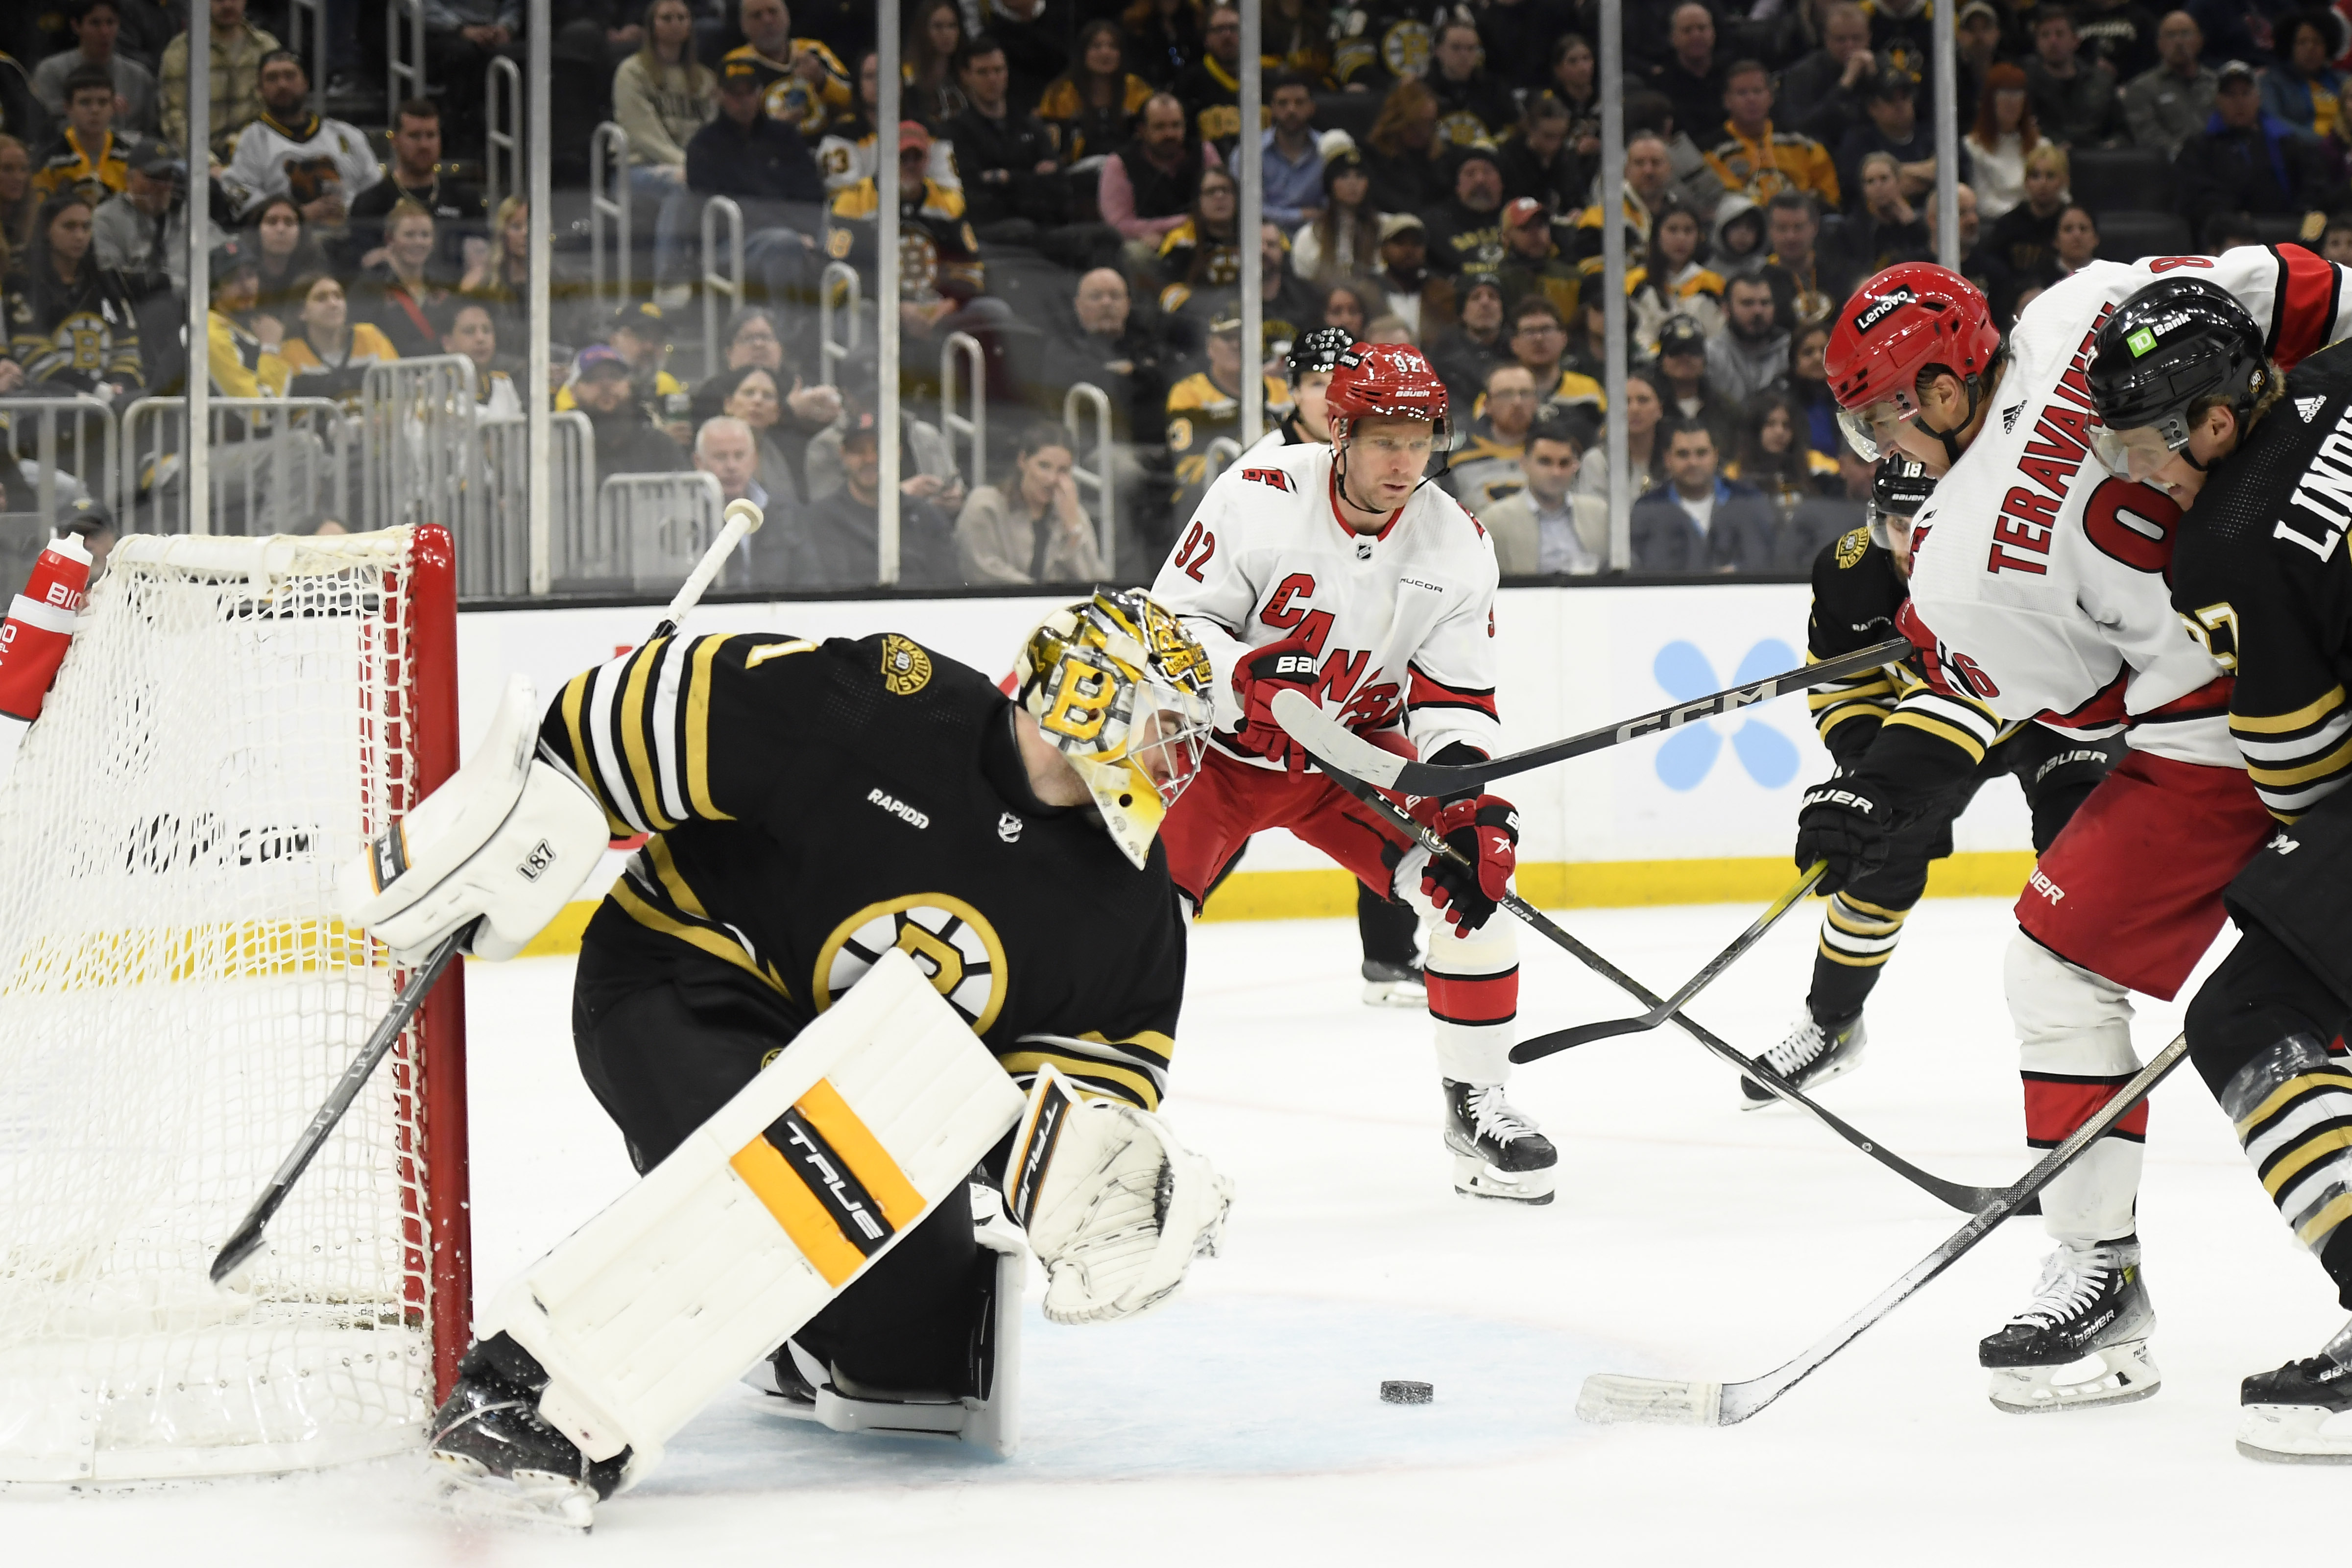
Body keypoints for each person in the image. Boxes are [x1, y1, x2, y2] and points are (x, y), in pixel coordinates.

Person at [400, 587, 1225, 1521]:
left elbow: (1088, 1077)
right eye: (1166, 727)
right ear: (1088, 695)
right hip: (690, 979)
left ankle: (779, 1336)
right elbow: (659, 707)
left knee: (919, 1361)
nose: (1178, 759)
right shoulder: (884, 706)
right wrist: (525, 813)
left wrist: (1069, 1160)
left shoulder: (1130, 898)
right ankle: (526, 1392)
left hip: (865, 1091)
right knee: (795, 1167)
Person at [1826, 245, 2352, 1413]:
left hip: (2223, 731)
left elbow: (2080, 703)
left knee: (2059, 970)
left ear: (1942, 393)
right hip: (2311, 639)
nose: (1880, 451)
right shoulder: (2078, 309)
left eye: (1880, 424)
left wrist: (1890, 767)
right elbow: (2292, 289)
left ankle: (2100, 1276)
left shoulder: (1958, 566)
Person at [1151, 341, 1557, 1202]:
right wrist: (1239, 678)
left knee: (1470, 896)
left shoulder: (1456, 543)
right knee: (1132, 929)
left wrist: (1465, 801)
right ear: (1339, 431)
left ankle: (1476, 1106)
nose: (1404, 463)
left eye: (1421, 441)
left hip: (1349, 765)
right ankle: (1090, 1112)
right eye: (1383, 440)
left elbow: (1455, 703)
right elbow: (1169, 626)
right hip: (1213, 760)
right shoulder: (1257, 494)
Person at [2086, 276, 2352, 1462]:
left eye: (2147, 443)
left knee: (2251, 1011)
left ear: (2217, 421)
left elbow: (2301, 775)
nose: (2137, 472)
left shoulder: (2226, 541)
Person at [1759, 451, 2117, 1105]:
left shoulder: (2010, 558)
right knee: (1876, 859)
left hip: (2046, 718)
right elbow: (1842, 687)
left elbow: (1989, 684)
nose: (1909, 540)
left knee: (2077, 863)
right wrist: (1869, 768)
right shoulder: (1847, 575)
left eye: (1926, 521)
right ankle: (1831, 1026)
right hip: (1926, 729)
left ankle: (2082, 1063)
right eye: (1897, 523)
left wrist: (1886, 777)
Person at [686, 57, 827, 325]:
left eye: (749, 92)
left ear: (760, 92)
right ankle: (787, 341)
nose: (743, 100)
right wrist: (793, 234)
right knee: (783, 245)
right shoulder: (703, 146)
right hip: (729, 245)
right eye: (734, 94)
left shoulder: (786, 137)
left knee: (837, 246)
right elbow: (714, 212)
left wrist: (807, 233)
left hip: (796, 237)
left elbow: (812, 195)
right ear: (719, 96)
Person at [220, 50, 379, 251]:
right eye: (272, 78)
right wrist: (297, 216)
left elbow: (377, 195)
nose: (282, 85)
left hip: (350, 246)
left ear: (306, 83)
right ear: (259, 89)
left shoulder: (347, 136)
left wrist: (349, 211)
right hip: (283, 252)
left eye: (290, 76)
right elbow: (240, 200)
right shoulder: (250, 140)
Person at [789, 404, 960, 587]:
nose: (870, 459)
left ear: (898, 453)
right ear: (843, 455)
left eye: (878, 449)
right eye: (859, 451)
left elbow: (950, 593)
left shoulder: (929, 519)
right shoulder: (818, 521)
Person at [612, 0, 717, 295]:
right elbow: (644, 134)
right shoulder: (632, 72)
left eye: (682, 17)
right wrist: (687, 167)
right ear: (652, 26)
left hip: (689, 168)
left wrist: (699, 168)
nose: (675, 24)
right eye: (667, 18)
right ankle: (668, 281)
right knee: (682, 185)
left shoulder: (705, 79)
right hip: (638, 168)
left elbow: (711, 134)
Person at [2176, 59, 2347, 235]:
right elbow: (2197, 196)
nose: (2239, 102)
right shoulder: (2198, 147)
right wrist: (2231, 218)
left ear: (2258, 98)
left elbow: (2314, 186)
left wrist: (2304, 213)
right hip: (2227, 236)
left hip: (2287, 232)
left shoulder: (2285, 141)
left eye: (2246, 93)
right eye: (2231, 95)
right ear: (2218, 100)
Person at [2, 192, 141, 398]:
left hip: (109, 400)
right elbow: (32, 355)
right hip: (44, 403)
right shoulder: (22, 285)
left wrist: (118, 384)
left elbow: (127, 345)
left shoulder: (107, 283)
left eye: (86, 227)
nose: (79, 236)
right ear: (47, 231)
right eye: (69, 227)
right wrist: (95, 390)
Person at [944, 34, 1068, 245]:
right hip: (992, 230)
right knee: (1022, 230)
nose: (992, 79)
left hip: (1046, 225)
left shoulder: (1032, 126)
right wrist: (1031, 179)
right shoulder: (957, 131)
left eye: (998, 70)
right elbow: (973, 196)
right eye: (983, 72)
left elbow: (1060, 188)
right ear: (966, 76)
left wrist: (1008, 178)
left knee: (1105, 236)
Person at [1165, 310, 1291, 515]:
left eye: (1242, 337)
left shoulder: (1281, 390)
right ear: (1209, 347)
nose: (1237, 345)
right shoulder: (1188, 392)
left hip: (1276, 492)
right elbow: (1186, 469)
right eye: (1227, 338)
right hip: (1207, 500)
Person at [955, 421, 1105, 585]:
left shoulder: (1072, 514)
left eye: (1063, 471)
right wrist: (1040, 595)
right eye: (1044, 466)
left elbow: (1094, 583)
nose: (1052, 479)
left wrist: (1073, 531)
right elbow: (983, 572)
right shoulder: (985, 506)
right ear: (1023, 461)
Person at [1629, 419, 1776, 573]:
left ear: (1716, 456)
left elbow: (1767, 560)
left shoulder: (1748, 502)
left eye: (1702, 453)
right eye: (1683, 454)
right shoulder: (1648, 509)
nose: (1693, 462)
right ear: (1668, 459)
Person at [1481, 407, 1604, 576]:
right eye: (1545, 462)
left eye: (1564, 463)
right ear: (1524, 464)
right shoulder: (1495, 521)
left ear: (1575, 466)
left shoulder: (1600, 514)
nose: (1556, 472)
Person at [1706, 58, 1841, 211]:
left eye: (1757, 91)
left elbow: (1829, 197)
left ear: (1771, 97)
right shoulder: (1713, 152)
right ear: (1727, 101)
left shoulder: (1801, 144)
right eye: (1742, 93)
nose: (1751, 99)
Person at [1100, 92, 1222, 256]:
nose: (1169, 134)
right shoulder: (1120, 163)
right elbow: (1118, 225)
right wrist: (1183, 224)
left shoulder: (1204, 153)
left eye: (1176, 125)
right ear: (1142, 130)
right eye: (1160, 127)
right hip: (1151, 247)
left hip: (1203, 244)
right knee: (1134, 253)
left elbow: (1223, 203)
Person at [160, 0, 280, 162]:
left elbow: (276, 111)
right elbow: (175, 118)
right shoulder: (180, 52)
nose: (228, 5)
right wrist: (207, 164)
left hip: (258, 156)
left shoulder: (266, 47)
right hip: (197, 161)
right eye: (219, 0)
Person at [263, 272, 397, 412]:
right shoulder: (288, 353)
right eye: (321, 299)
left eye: (338, 296)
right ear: (302, 311)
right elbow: (272, 411)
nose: (333, 304)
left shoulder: (370, 337)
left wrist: (386, 418)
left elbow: (400, 390)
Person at [721, 0, 850, 141]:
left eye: (773, 12)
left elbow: (854, 101)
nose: (767, 20)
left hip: (827, 148)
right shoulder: (735, 64)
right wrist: (774, 128)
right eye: (757, 16)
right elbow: (734, 127)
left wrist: (822, 81)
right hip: (769, 153)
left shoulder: (814, 50)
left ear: (787, 16)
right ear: (744, 26)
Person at [33, 0, 157, 135]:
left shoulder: (140, 77)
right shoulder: (51, 72)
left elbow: (151, 131)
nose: (105, 32)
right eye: (95, 23)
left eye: (110, 23)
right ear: (76, 26)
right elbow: (51, 127)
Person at [1036, 20, 1153, 164]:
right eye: (1096, 46)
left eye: (1113, 47)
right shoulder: (1060, 93)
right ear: (1082, 53)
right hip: (1076, 171)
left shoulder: (1137, 88)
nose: (1105, 53)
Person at [568, 343, 689, 476]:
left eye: (615, 376)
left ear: (629, 386)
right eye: (592, 378)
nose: (606, 385)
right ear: (573, 392)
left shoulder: (660, 446)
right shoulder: (562, 446)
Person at [1827, 150, 1930, 299]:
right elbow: (1848, 272)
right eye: (1870, 182)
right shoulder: (1852, 229)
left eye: (1884, 179)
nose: (1878, 187)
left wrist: (1911, 225)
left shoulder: (1920, 225)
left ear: (1899, 181)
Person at [354, 199, 448, 361]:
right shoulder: (369, 287)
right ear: (390, 239)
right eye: (409, 235)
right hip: (389, 375)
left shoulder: (441, 286)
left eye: (425, 235)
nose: (418, 242)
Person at [1625, 196, 1723, 352]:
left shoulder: (1713, 284)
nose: (1681, 238)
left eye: (1688, 231)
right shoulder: (1635, 282)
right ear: (1657, 235)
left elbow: (1718, 337)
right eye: (1673, 230)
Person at [1778, 1, 1879, 150]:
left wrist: (1875, 81)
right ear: (1827, 39)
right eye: (1841, 40)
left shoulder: (1881, 68)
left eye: (1857, 38)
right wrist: (1844, 86)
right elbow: (1799, 127)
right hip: (1821, 153)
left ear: (1869, 37)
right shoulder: (1803, 73)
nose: (1849, 46)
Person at [1441, 359, 1537, 511]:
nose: (1517, 402)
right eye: (1506, 394)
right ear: (1487, 405)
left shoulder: (1556, 450)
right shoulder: (1456, 458)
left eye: (1525, 394)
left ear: (1536, 402)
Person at [2024, 4, 2122, 148]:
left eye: (2060, 34)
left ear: (2076, 41)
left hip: (2096, 160)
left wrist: (2109, 147)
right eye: (2045, 35)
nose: (2053, 41)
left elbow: (2123, 133)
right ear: (2037, 43)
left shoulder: (2100, 82)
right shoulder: (2026, 85)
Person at [1726, 391, 1838, 513]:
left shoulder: (1815, 463)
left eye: (1786, 426)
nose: (1780, 432)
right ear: (1756, 430)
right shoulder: (1735, 473)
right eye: (1771, 424)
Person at [2120, 10, 2213, 157]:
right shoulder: (2141, 89)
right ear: (2159, 44)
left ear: (2200, 40)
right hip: (2170, 169)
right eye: (2171, 35)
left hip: (2220, 166)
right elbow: (2149, 138)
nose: (2179, 42)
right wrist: (2187, 158)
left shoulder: (2217, 83)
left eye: (2186, 34)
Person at [32, 66, 128, 207]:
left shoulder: (130, 156)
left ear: (114, 107)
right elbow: (41, 214)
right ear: (68, 108)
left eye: (103, 102)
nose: (95, 110)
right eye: (85, 102)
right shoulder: (49, 160)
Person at [1289, 148, 1379, 289]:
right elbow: (1303, 288)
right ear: (1330, 184)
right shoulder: (1308, 236)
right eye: (1344, 176)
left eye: (1360, 176)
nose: (1352, 183)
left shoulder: (1385, 229)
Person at [1423, 18, 1514, 153]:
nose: (1464, 55)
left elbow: (1510, 130)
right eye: (1456, 48)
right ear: (1438, 51)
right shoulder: (1421, 90)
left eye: (1471, 49)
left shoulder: (1495, 89)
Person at [1360, 78, 1445, 218]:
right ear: (1397, 123)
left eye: (1431, 124)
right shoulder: (1371, 159)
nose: (1425, 133)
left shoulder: (1441, 160)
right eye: (1418, 125)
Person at [1422, 145, 1508, 283]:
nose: (1480, 180)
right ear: (1457, 186)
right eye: (1470, 173)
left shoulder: (1521, 218)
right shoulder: (1434, 224)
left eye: (1488, 172)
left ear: (1502, 183)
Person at [1426, 275, 1509, 410]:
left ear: (1503, 309)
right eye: (1475, 297)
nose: (1485, 303)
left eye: (1493, 297)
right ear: (1462, 311)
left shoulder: (1518, 349)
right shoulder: (1442, 356)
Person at [1966, 63, 2037, 221]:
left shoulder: (2040, 147)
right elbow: (1985, 203)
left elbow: (2061, 196)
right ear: (1990, 100)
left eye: (2018, 94)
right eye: (2004, 93)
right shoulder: (1973, 148)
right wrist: (2024, 217)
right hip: (1997, 227)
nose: (2012, 101)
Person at [1710, 273, 1792, 406]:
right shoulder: (1710, 355)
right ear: (1726, 309)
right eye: (1748, 303)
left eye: (1765, 303)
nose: (1758, 311)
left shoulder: (1791, 351)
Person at [1496, 93, 1583, 218]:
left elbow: (1576, 197)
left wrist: (1576, 211)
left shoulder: (1566, 157)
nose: (1555, 144)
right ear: (1531, 129)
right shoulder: (1509, 158)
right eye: (1548, 136)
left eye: (1561, 137)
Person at [1650, 2, 1727, 143]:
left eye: (1702, 28)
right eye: (1687, 30)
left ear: (1713, 34)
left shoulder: (1730, 77)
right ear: (1673, 38)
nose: (1696, 35)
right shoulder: (1661, 86)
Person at [1368, 212, 1450, 343]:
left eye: (1416, 243)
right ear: (1383, 249)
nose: (1409, 250)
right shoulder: (1366, 291)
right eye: (1400, 243)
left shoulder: (1441, 292)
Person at [1256, 71, 1322, 231]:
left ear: (1312, 108)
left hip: (1319, 236)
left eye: (1299, 102)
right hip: (1264, 238)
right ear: (1272, 108)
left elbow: (1334, 207)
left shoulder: (1328, 149)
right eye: (1283, 103)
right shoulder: (1251, 152)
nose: (1291, 110)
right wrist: (1301, 216)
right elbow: (1248, 209)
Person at [2261, 11, 2342, 141]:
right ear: (2289, 47)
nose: (2310, 48)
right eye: (2302, 42)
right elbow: (2272, 121)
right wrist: (2322, 143)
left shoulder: (2342, 80)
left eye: (2317, 42)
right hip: (2302, 152)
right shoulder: (2272, 83)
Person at [440, 298, 521, 417]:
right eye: (469, 331)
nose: (480, 338)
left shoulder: (503, 385)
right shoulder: (434, 389)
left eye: (487, 330)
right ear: (448, 343)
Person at [902, 0, 971, 127]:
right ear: (923, 30)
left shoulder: (967, 74)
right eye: (938, 26)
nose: (946, 34)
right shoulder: (909, 76)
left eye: (952, 26)